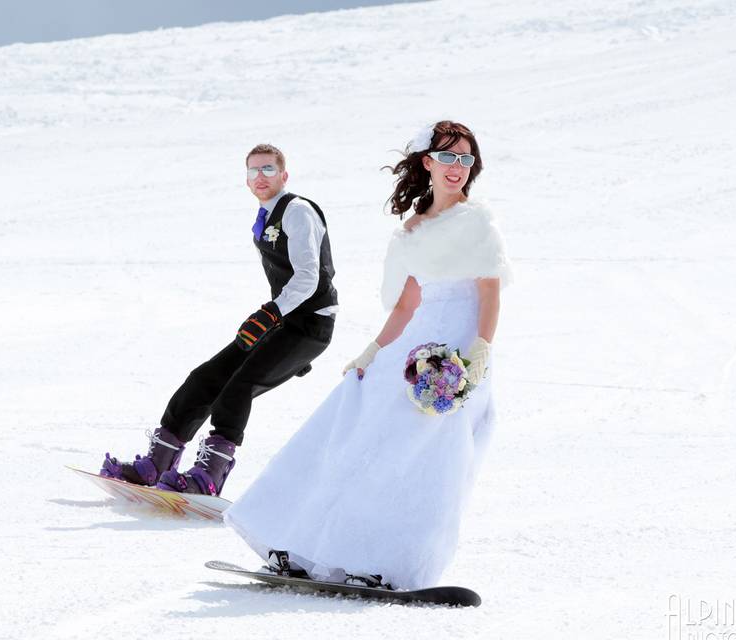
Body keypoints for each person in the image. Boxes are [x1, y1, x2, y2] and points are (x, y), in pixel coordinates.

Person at [223, 121, 511, 590]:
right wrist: (374, 350)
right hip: (415, 344)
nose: (457, 167)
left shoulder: (477, 221)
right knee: (352, 429)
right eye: (448, 156)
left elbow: (489, 295)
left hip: (458, 352)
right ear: (427, 162)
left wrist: (478, 351)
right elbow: (405, 304)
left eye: (465, 158)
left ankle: (388, 563)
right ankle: (303, 547)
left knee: (420, 458)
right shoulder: (415, 227)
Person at [100, 144, 339, 497]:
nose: (260, 177)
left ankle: (208, 477)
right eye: (253, 171)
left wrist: (277, 320)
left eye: (268, 169)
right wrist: (276, 332)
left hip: (308, 323)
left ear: (284, 175)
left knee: (237, 388)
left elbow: (308, 277)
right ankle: (157, 464)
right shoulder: (268, 215)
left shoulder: (297, 211)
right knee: (205, 379)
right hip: (283, 322)